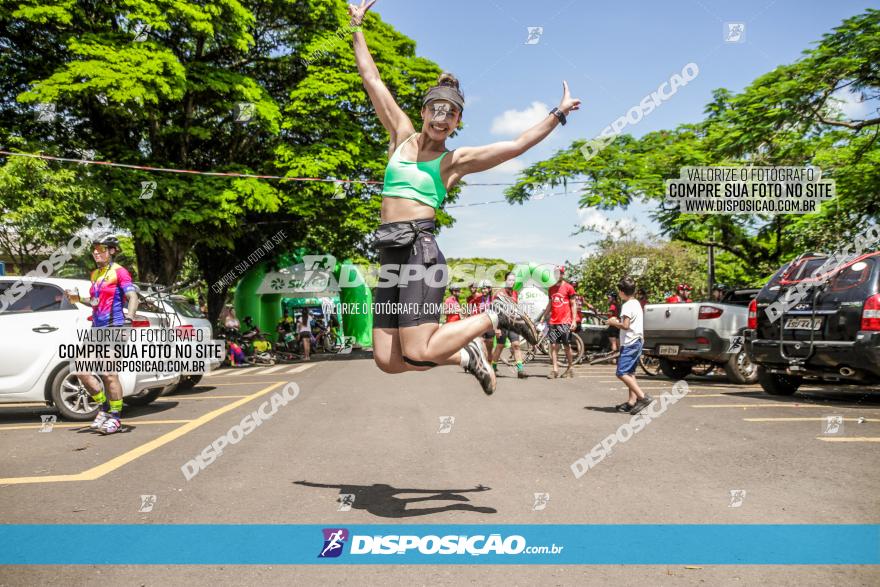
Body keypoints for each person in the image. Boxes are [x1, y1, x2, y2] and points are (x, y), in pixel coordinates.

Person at [351, 0, 574, 395]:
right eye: (436, 110)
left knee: (419, 348)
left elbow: (516, 145)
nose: (441, 118)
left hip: (420, 249)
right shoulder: (400, 135)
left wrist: (558, 113)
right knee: (388, 359)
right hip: (389, 250)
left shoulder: (454, 161)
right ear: (423, 111)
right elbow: (371, 79)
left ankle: (494, 316)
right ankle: (466, 355)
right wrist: (357, 27)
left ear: (456, 122)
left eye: (450, 114)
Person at [70, 235, 138, 435]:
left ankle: (116, 418)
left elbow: (133, 297)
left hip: (115, 327)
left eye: (100, 249)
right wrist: (78, 299)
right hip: (96, 329)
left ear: (112, 251)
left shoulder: (120, 272)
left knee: (109, 373)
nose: (96, 253)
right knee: (81, 369)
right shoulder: (95, 275)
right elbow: (95, 302)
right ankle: (104, 408)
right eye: (94, 250)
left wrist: (129, 318)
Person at [606, 277, 653, 414]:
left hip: (630, 342)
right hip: (637, 341)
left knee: (621, 372)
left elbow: (625, 325)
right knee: (630, 372)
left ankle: (642, 397)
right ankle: (631, 402)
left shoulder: (626, 306)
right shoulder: (636, 303)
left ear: (621, 292)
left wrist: (613, 322)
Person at [539, 266, 578, 379]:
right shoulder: (551, 289)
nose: (558, 275)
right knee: (553, 346)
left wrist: (574, 320)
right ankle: (555, 370)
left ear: (563, 274)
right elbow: (550, 304)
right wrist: (543, 316)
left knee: (566, 346)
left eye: (560, 273)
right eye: (556, 273)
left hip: (565, 321)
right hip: (553, 321)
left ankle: (570, 368)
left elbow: (573, 304)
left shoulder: (569, 287)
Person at [491, 272, 527, 379]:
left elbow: (516, 308)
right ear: (505, 280)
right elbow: (494, 311)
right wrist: (496, 328)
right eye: (510, 280)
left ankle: (520, 370)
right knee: (500, 346)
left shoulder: (515, 293)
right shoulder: (499, 294)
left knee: (516, 345)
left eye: (513, 280)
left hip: (513, 324)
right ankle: (492, 368)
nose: (512, 282)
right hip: (501, 324)